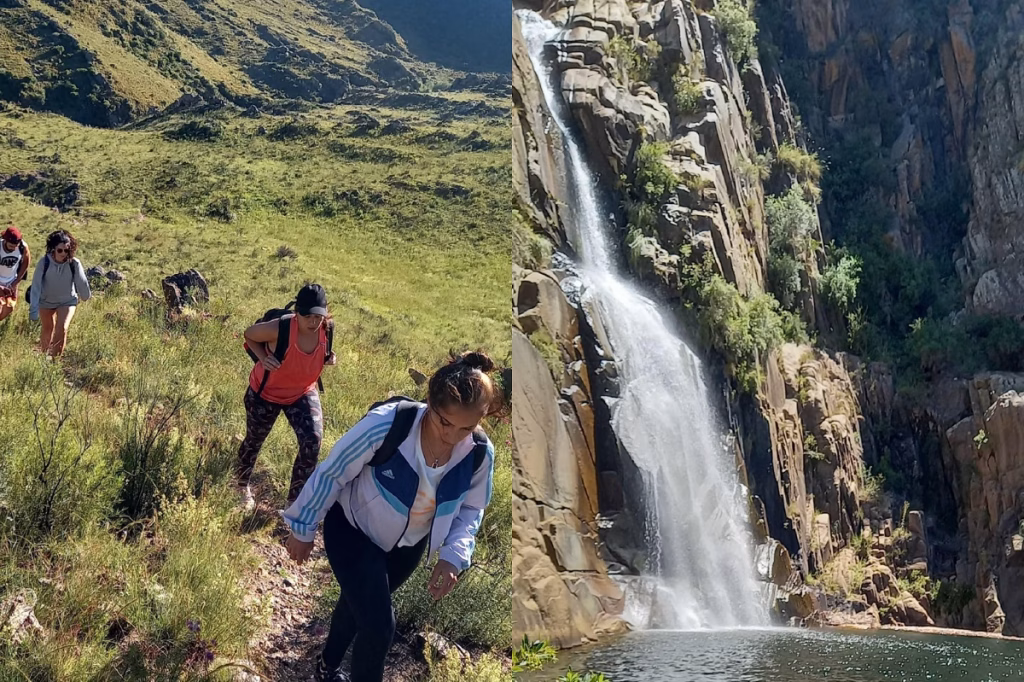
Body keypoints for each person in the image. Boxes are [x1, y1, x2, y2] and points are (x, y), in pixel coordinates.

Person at [281, 351, 500, 682]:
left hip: (406, 549)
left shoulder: (480, 453)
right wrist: (303, 527)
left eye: (467, 427)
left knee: (359, 608)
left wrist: (454, 555)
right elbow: (332, 472)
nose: (453, 436)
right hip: (352, 529)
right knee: (380, 626)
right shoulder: (388, 424)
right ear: (430, 403)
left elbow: (472, 508)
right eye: (445, 421)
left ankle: (326, 667)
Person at [235, 283, 337, 509]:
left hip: (302, 392)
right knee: (254, 440)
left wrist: (329, 357)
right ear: (296, 312)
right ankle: (241, 485)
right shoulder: (280, 328)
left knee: (313, 441)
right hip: (266, 393)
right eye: (307, 316)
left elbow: (324, 351)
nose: (313, 322)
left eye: (317, 317)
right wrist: (262, 357)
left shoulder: (327, 329)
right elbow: (249, 334)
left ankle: (295, 503)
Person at [29, 229, 90, 357]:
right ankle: (43, 357)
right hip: (46, 301)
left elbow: (82, 282)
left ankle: (55, 361)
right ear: (53, 249)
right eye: (60, 250)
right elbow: (36, 286)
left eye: (66, 250)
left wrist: (85, 296)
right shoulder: (44, 262)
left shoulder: (74, 263)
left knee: (61, 328)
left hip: (67, 301)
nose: (63, 253)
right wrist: (33, 309)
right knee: (47, 328)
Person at [0, 226, 30, 323]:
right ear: (5, 240)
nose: (13, 248)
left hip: (11, 281)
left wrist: (16, 281)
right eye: (11, 246)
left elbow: (26, 261)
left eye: (15, 246)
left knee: (10, 307)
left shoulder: (23, 247)